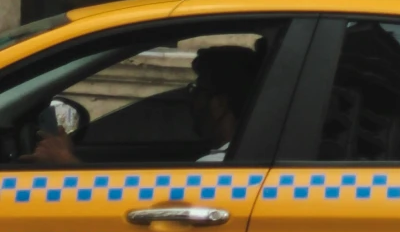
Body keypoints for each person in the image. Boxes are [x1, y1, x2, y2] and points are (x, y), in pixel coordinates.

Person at [28, 40, 263, 167]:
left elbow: (144, 213)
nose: (190, 98)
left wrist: (67, 165)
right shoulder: (236, 157)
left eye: (198, 90)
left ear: (219, 104)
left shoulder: (218, 168)